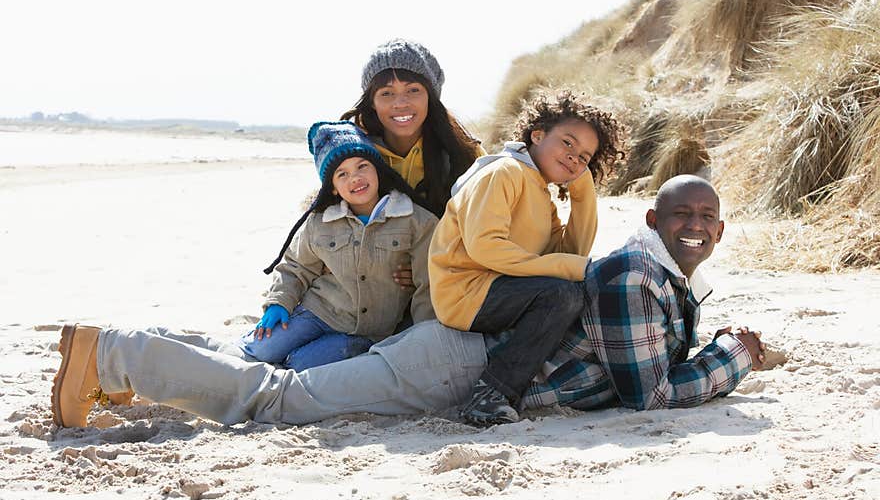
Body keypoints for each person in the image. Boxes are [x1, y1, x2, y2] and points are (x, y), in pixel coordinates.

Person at [50, 175, 766, 429]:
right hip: (451, 364)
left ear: (722, 228)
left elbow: (648, 362)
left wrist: (716, 344)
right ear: (652, 220)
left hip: (452, 357)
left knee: (284, 388)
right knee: (274, 400)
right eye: (682, 214)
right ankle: (115, 353)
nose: (695, 225)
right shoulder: (635, 278)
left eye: (707, 216)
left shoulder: (667, 280)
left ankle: (125, 361)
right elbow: (651, 394)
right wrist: (734, 357)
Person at [428, 89, 626, 425]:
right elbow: (485, 247)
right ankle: (490, 393)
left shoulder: (541, 193)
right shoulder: (504, 173)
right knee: (562, 294)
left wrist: (583, 193)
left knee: (570, 290)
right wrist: (567, 267)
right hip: (465, 291)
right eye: (567, 142)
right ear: (537, 135)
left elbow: (569, 254)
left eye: (585, 157)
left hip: (500, 286)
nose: (574, 157)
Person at [238, 120, 438, 372]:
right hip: (317, 312)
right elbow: (296, 266)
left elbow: (427, 286)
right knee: (259, 350)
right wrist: (279, 301)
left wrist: (422, 339)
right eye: (342, 174)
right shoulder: (320, 221)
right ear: (332, 187)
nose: (355, 178)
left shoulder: (416, 220)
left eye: (362, 166)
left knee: (300, 365)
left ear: (378, 169)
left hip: (370, 331)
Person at [342, 38, 484, 220]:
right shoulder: (352, 154)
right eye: (387, 93)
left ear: (430, 96)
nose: (401, 103)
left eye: (413, 90)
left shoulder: (466, 154)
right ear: (372, 102)